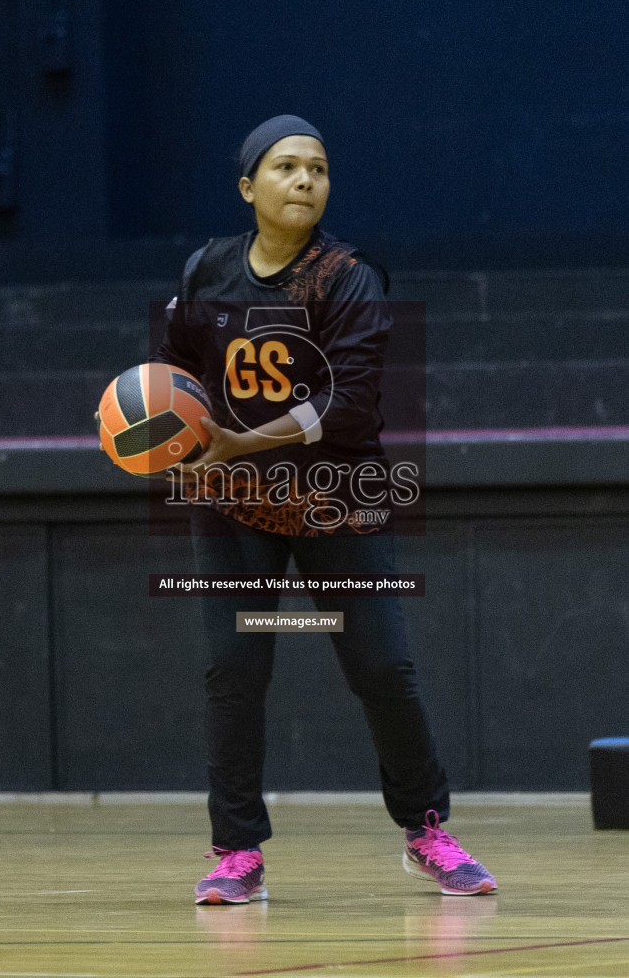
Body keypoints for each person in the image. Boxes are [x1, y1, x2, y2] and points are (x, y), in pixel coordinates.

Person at [151, 115, 497, 902]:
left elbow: (343, 403)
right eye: (286, 167)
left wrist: (237, 442)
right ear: (248, 187)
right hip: (234, 502)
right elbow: (175, 372)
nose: (305, 179)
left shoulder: (347, 275)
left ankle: (426, 832)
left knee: (380, 665)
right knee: (234, 668)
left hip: (337, 498)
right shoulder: (206, 270)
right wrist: (155, 424)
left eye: (318, 168)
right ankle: (236, 852)